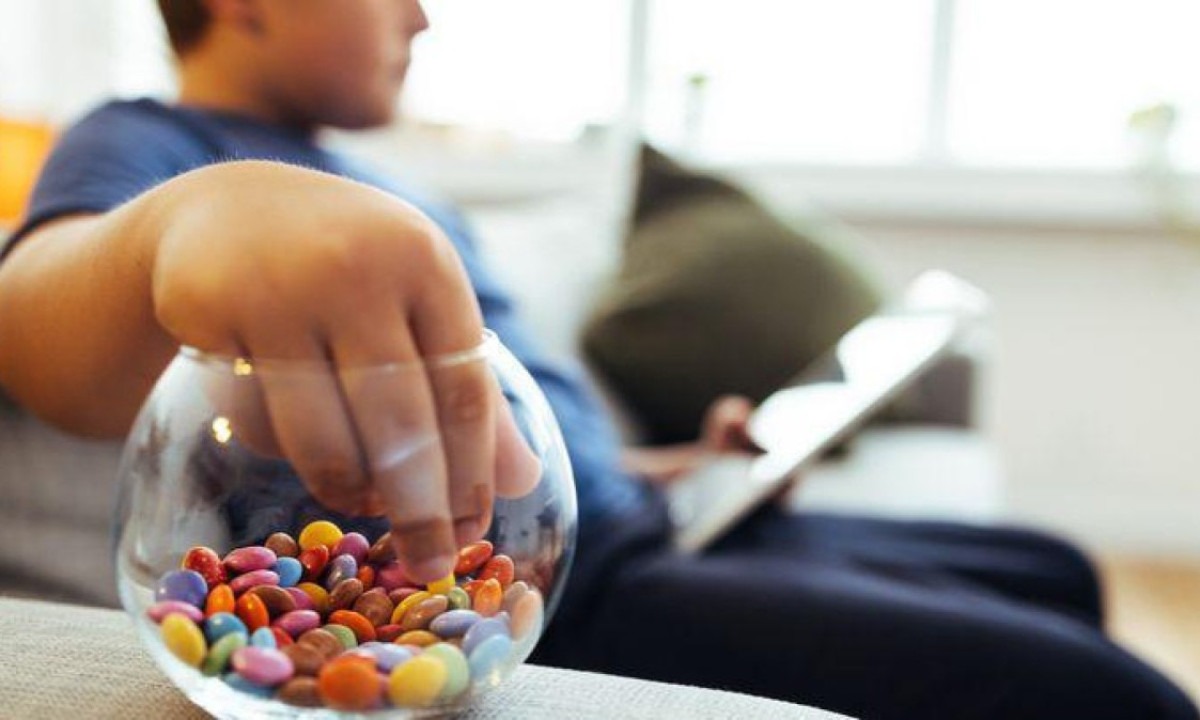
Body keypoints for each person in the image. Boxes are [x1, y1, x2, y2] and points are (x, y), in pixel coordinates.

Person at [0, 2, 1193, 718]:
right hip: (556, 594)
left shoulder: (405, 186)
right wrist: (186, 223)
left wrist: (675, 462)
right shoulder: (149, 140)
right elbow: (38, 322)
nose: (425, 15)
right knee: (1109, 694)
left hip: (650, 516)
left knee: (1054, 567)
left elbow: (508, 419)